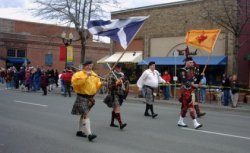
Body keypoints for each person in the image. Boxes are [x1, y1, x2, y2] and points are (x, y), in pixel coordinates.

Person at [71, 60, 102, 142]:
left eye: (91, 65)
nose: (90, 67)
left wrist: (102, 83)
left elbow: (96, 86)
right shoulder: (78, 74)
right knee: (86, 114)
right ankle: (89, 134)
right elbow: (76, 84)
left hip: (90, 98)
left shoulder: (94, 74)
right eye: (88, 65)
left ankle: (79, 131)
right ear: (84, 66)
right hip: (82, 96)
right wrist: (86, 77)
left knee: (83, 115)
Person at [177, 53, 202, 129]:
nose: (192, 63)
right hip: (184, 91)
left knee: (185, 108)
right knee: (190, 106)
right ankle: (195, 123)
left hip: (190, 91)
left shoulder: (192, 71)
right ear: (186, 62)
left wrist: (200, 77)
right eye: (190, 62)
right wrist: (194, 85)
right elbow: (185, 81)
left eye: (192, 62)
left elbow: (195, 79)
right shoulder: (182, 71)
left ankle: (180, 121)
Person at [107, 64, 128, 130]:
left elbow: (125, 83)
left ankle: (112, 123)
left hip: (120, 94)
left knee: (114, 109)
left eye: (120, 68)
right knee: (117, 107)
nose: (119, 69)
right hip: (114, 93)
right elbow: (109, 86)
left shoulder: (122, 75)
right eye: (118, 67)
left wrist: (123, 81)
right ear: (115, 68)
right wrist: (116, 84)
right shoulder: (112, 75)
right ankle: (121, 124)